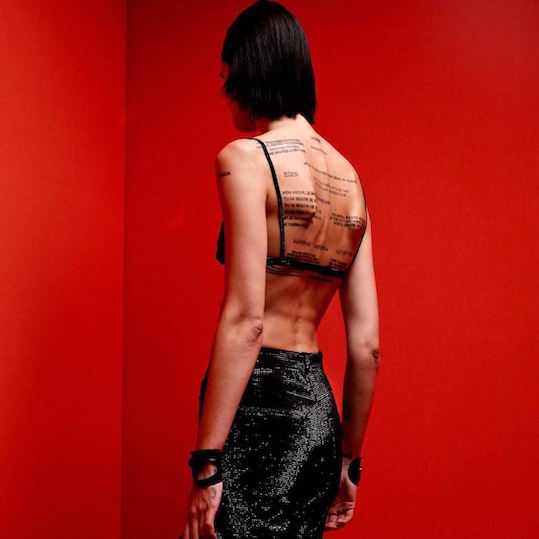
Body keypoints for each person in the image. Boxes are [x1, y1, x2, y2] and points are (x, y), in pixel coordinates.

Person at [181, 2, 379, 538]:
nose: (223, 95)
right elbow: (366, 347)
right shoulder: (352, 183)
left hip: (256, 411)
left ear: (250, 72)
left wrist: (208, 461)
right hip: (317, 419)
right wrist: (348, 462)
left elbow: (247, 320)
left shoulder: (244, 159)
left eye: (225, 78)